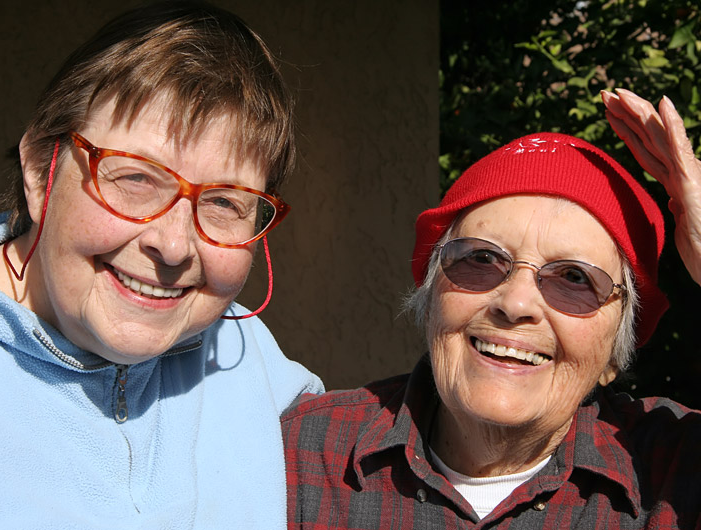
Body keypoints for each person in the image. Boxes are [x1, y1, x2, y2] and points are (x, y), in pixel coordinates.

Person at [0, 2, 323, 528]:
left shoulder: (247, 357)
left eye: (223, 203)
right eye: (135, 178)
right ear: (39, 172)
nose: (173, 246)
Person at [282, 89, 701, 528]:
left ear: (614, 354)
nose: (515, 303)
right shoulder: (304, 457)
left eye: (574, 278)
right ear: (431, 296)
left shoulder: (678, 471)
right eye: (481, 259)